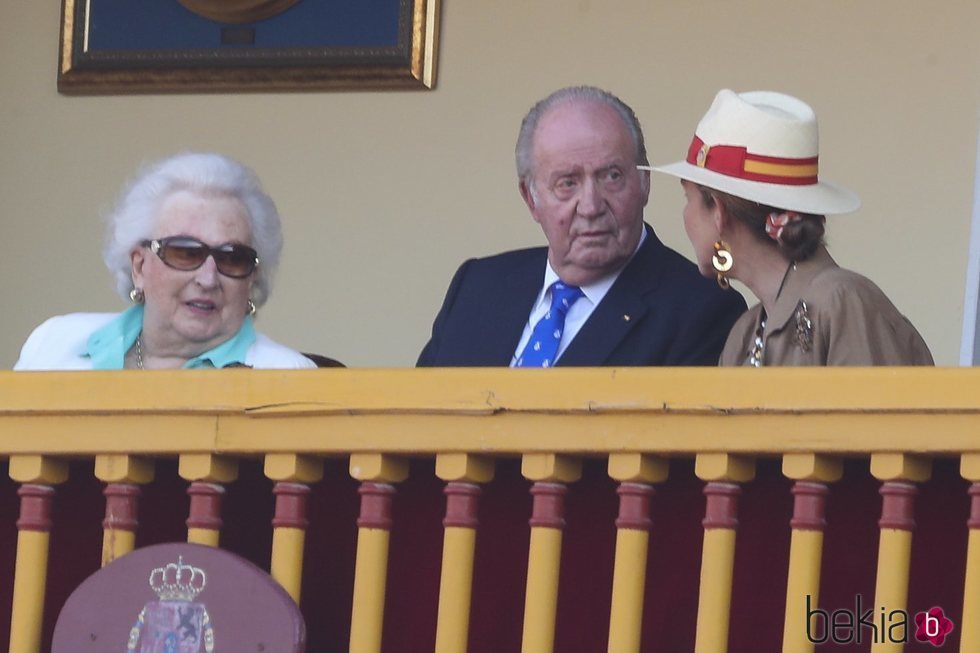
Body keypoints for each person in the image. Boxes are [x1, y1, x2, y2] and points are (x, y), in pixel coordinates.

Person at [417, 86, 747, 367]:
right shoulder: (476, 287)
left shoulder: (702, 310)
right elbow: (417, 419)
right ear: (530, 198)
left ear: (645, 183)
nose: (590, 206)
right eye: (567, 183)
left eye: (611, 176)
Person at [646, 89, 933, 366]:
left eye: (688, 197)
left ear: (718, 211)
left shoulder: (841, 301)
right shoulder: (744, 333)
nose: (685, 214)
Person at [14, 152, 316, 370]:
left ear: (252, 278)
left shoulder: (285, 375)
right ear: (139, 266)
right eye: (185, 252)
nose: (208, 279)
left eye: (232, 258)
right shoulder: (53, 345)